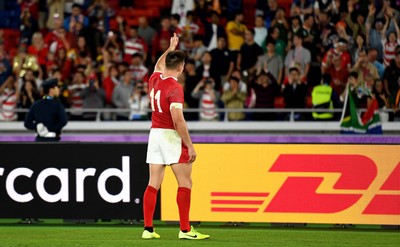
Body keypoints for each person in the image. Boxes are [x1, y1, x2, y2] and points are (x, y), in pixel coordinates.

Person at [142, 33, 209, 240]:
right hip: (170, 135)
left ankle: (148, 229)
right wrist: (190, 145)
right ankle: (185, 230)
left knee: (153, 182)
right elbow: (178, 120)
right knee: (185, 182)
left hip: (154, 135)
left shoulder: (154, 80)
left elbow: (158, 64)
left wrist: (171, 47)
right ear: (180, 67)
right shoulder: (175, 88)